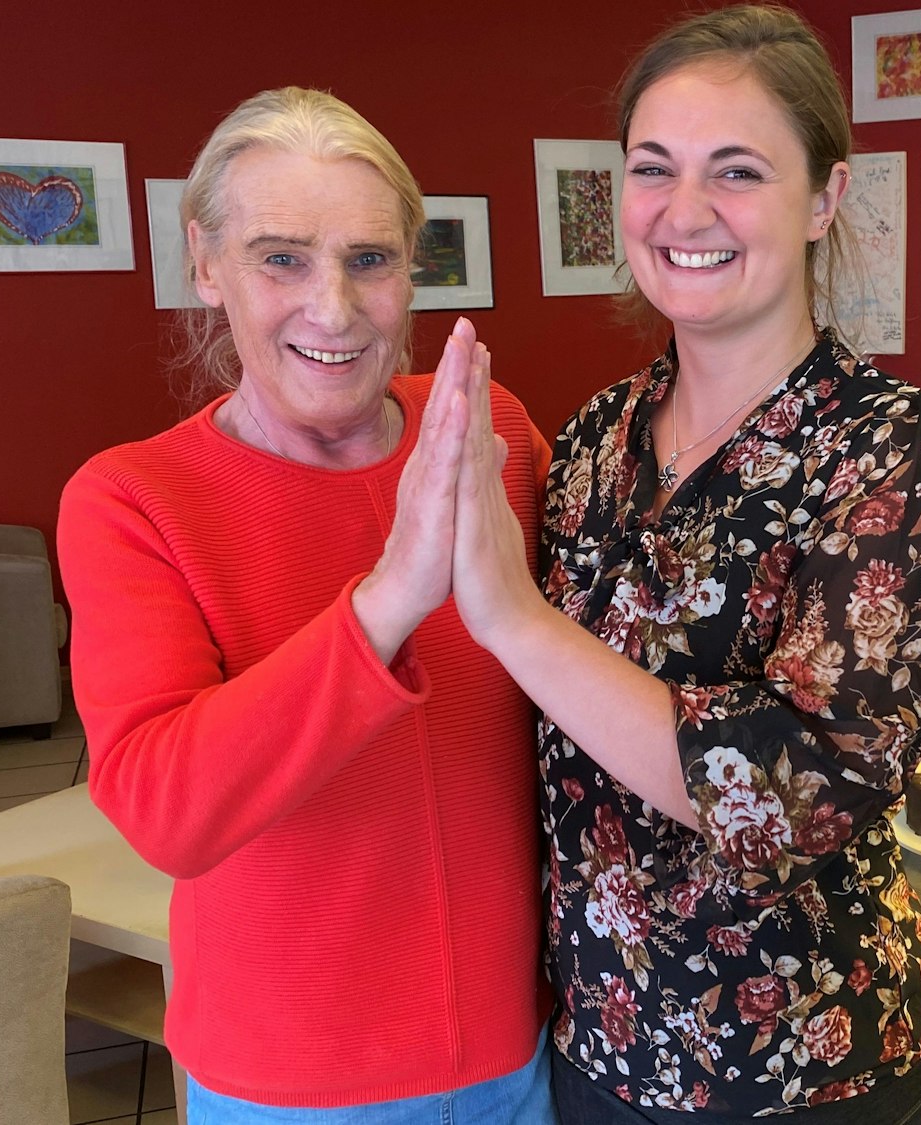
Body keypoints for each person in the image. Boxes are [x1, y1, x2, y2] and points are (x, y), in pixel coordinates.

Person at [440, 7, 921, 1120]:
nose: (683, 212)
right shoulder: (596, 434)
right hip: (594, 1045)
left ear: (825, 197)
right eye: (654, 169)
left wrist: (511, 616)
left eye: (735, 172)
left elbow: (796, 796)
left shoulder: (898, 448)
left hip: (803, 1069)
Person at [56, 88, 555, 1122]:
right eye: (280, 257)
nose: (331, 307)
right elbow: (168, 812)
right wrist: (387, 602)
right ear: (205, 263)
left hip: (528, 1046)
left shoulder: (485, 430)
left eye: (368, 259)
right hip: (294, 1080)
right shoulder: (132, 499)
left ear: (410, 267)